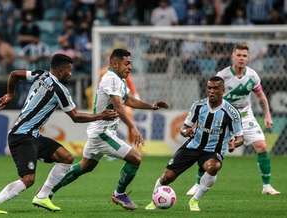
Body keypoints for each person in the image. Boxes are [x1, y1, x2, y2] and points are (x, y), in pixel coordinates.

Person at [0, 54, 118, 214]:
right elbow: (75, 116)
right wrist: (101, 115)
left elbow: (14, 74)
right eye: (69, 70)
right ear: (60, 70)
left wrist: (11, 94)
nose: (70, 74)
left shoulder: (40, 74)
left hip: (32, 135)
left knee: (66, 158)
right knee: (28, 179)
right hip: (22, 137)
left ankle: (42, 196)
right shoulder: (60, 90)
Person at [32, 48, 169, 211]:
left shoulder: (119, 80)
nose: (130, 67)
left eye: (131, 64)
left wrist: (151, 106)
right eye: (127, 64)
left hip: (100, 131)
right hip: (102, 133)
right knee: (135, 158)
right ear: (115, 63)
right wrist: (133, 127)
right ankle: (119, 194)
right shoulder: (110, 78)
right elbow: (119, 106)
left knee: (85, 166)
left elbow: (128, 100)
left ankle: (46, 192)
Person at [186, 43, 280, 196]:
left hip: (245, 116)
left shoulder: (252, 76)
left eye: (244, 56)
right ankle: (197, 184)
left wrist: (267, 115)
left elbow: (261, 97)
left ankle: (267, 186)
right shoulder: (223, 76)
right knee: (209, 151)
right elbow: (211, 98)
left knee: (262, 146)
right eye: (239, 55)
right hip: (224, 118)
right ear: (233, 56)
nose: (241, 58)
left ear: (248, 58)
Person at [145, 76, 244, 211]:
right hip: (192, 146)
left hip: (212, 151)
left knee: (214, 166)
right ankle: (154, 201)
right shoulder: (198, 106)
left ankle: (194, 200)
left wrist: (234, 144)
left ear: (223, 90)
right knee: (167, 177)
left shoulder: (232, 112)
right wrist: (186, 132)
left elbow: (240, 137)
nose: (212, 91)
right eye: (209, 88)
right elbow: (184, 128)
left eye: (215, 88)